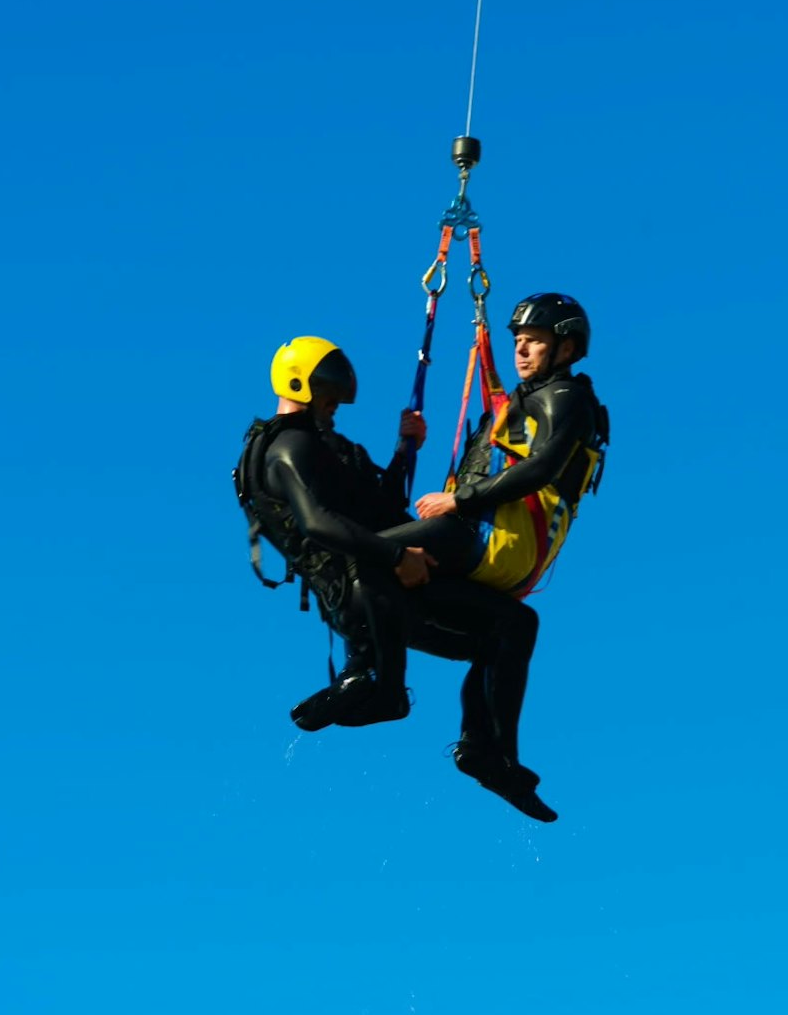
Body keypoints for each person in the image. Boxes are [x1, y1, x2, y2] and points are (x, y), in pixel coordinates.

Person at [235, 335, 556, 820]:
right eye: (329, 399)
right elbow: (319, 523)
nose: (334, 409)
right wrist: (395, 555)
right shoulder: (287, 447)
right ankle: (367, 682)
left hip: (391, 584)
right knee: (450, 541)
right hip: (365, 589)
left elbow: (380, 506)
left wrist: (408, 448)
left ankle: (488, 754)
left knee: (514, 625)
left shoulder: (327, 446)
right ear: (303, 387)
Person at [393, 293, 610, 595]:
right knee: (377, 580)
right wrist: (407, 446)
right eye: (518, 340)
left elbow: (541, 468)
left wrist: (457, 500)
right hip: (490, 541)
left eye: (534, 341)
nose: (520, 349)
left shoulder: (566, 397)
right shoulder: (514, 408)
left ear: (567, 348)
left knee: (368, 551)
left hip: (500, 542)